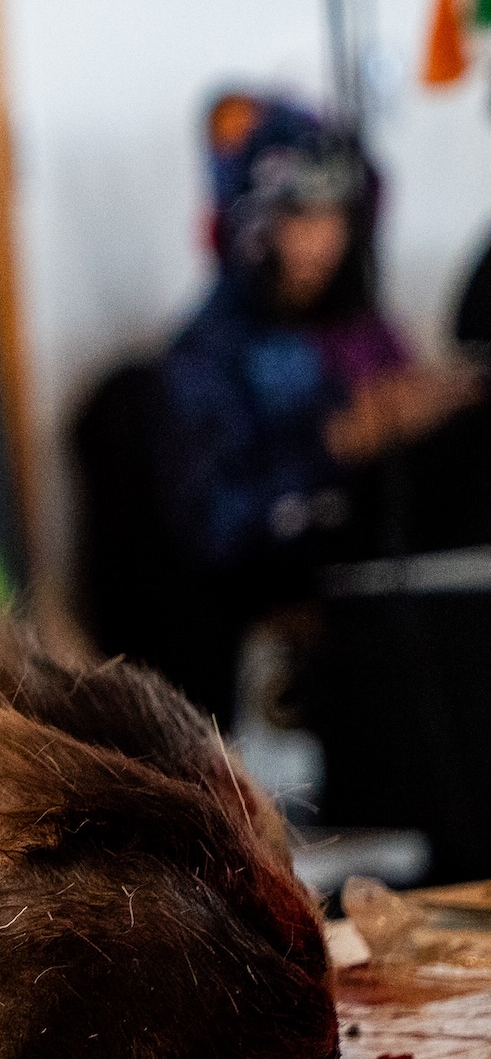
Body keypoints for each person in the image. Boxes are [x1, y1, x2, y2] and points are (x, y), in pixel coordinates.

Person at [150, 93, 487, 718]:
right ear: (255, 223)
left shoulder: (370, 335)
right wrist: (336, 441)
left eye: (335, 217)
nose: (321, 240)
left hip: (406, 613)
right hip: (290, 643)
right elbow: (215, 527)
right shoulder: (206, 360)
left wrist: (440, 404)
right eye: (300, 216)